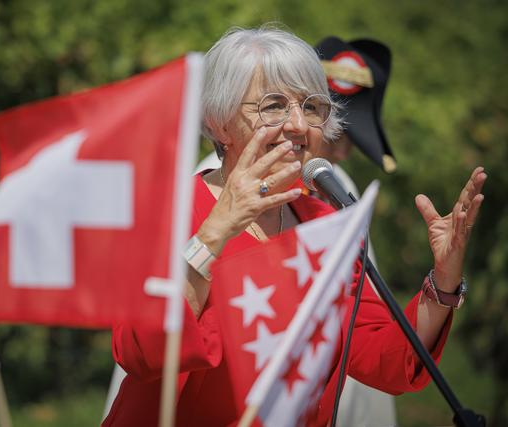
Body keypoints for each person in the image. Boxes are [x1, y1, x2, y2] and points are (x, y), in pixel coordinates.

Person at [102, 25, 486, 427]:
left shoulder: (322, 221)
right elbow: (141, 351)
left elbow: (384, 360)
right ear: (218, 121)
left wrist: (443, 281)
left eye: (312, 106)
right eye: (273, 105)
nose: (299, 126)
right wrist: (214, 235)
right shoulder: (166, 211)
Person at [315, 36, 398, 425]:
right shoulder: (221, 177)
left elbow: (363, 325)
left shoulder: (338, 183)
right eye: (340, 135)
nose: (345, 150)